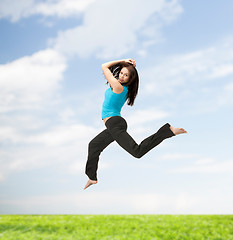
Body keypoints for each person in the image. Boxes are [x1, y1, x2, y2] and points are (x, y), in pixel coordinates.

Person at [84, 58, 187, 190]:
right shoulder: (120, 87)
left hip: (115, 123)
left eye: (126, 75)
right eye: (121, 73)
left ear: (130, 79)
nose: (122, 76)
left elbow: (104, 66)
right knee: (94, 145)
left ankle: (168, 131)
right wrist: (126, 64)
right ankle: (92, 177)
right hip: (112, 124)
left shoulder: (118, 87)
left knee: (137, 152)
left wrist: (123, 60)